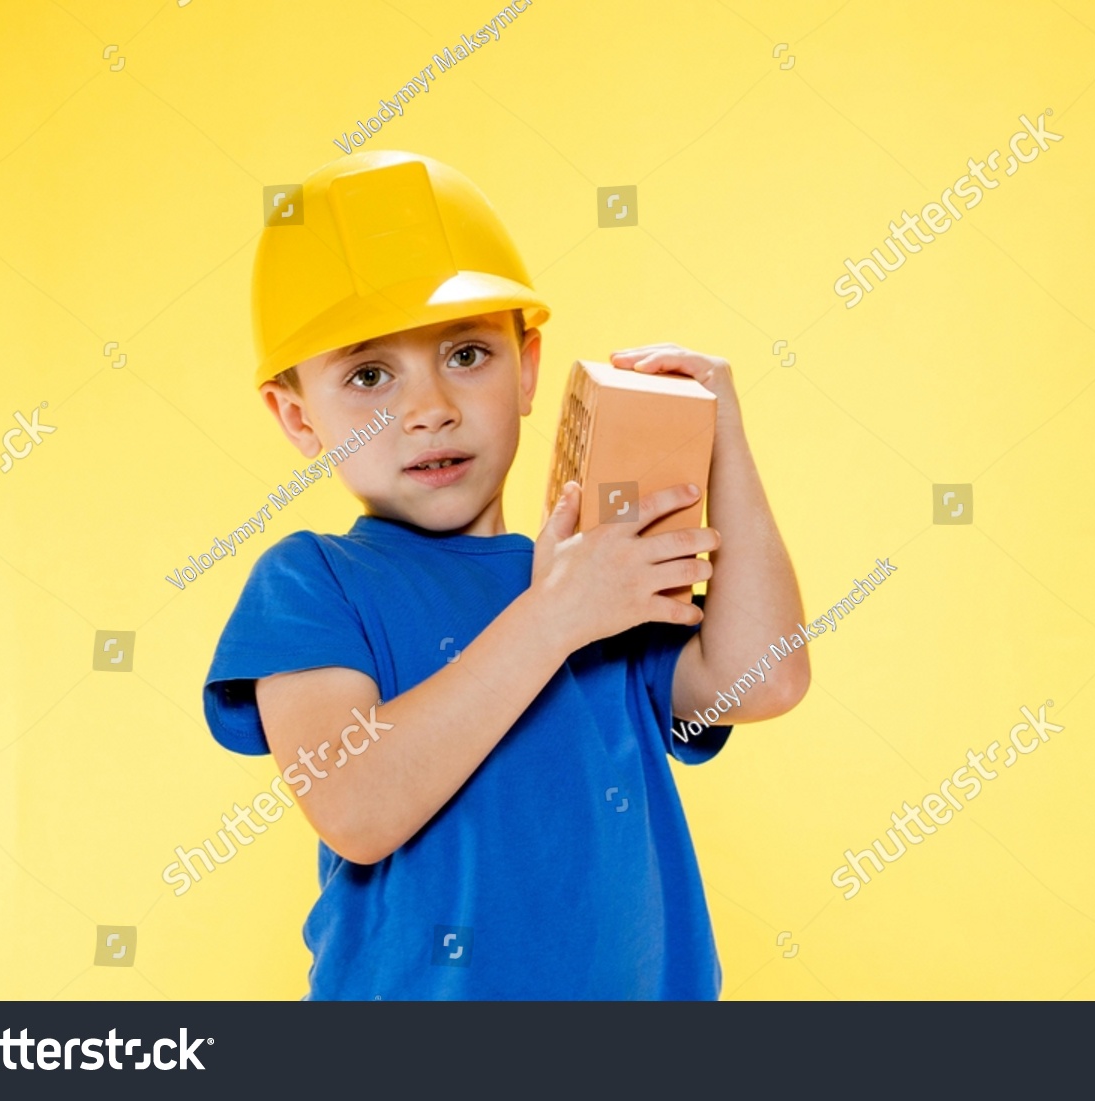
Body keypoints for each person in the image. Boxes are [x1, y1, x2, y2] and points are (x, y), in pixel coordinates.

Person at [203, 150, 809, 998]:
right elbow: (360, 804)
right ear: (300, 417)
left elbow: (765, 676)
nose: (430, 409)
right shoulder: (314, 582)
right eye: (370, 374)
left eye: (467, 355)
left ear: (527, 369)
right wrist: (557, 613)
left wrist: (726, 441)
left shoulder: (602, 575)